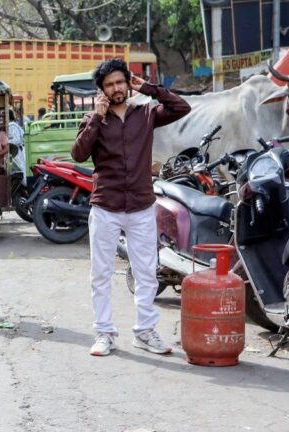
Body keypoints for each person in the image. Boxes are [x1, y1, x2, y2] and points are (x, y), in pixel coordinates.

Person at [71, 58, 191, 357]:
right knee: (101, 273)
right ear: (101, 90)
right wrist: (97, 116)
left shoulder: (146, 113)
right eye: (109, 85)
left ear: (128, 83)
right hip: (106, 206)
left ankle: (145, 332)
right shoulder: (93, 119)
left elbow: (181, 108)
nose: (116, 88)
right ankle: (104, 333)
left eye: (119, 82)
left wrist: (149, 88)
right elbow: (79, 153)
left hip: (141, 205)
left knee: (147, 272)